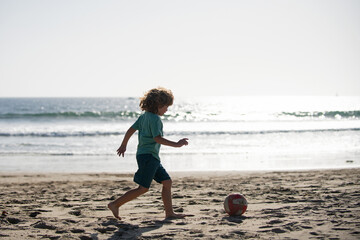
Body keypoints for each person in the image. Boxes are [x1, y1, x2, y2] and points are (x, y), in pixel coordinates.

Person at [108, 87, 189, 220]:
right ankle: (115, 204)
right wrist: (177, 144)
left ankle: (169, 213)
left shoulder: (144, 117)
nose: (167, 109)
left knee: (167, 182)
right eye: (166, 106)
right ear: (158, 105)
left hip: (148, 156)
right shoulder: (155, 119)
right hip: (148, 157)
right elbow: (157, 138)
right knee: (143, 188)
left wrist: (123, 145)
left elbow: (130, 130)